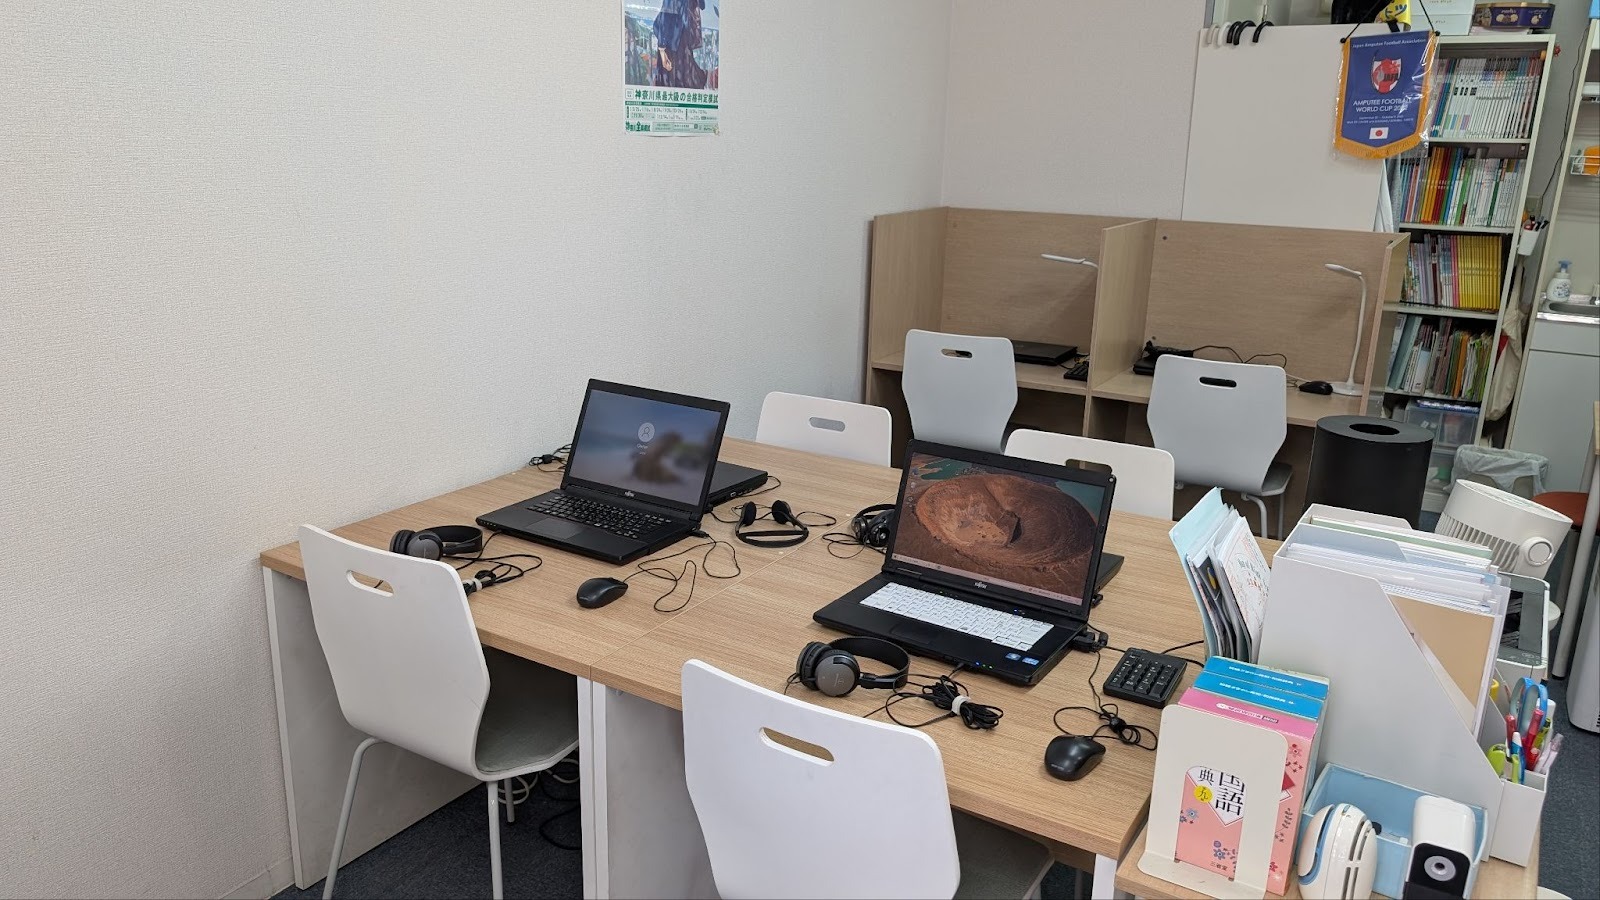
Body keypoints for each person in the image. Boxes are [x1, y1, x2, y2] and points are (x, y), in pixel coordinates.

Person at [652, 0, 707, 89]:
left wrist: (662, 49)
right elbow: (702, 5)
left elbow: (666, 15)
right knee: (686, 79)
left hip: (671, 38)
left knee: (670, 81)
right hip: (684, 38)